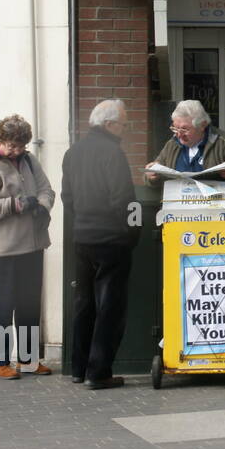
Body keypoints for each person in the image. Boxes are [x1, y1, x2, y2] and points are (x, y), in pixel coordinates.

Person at [62, 100, 139, 390]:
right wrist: (133, 234)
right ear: (109, 125)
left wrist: (81, 222)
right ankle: (99, 372)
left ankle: (78, 368)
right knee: (110, 308)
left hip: (82, 238)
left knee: (84, 304)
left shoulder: (72, 153)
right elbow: (125, 200)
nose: (124, 130)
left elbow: (67, 198)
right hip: (111, 240)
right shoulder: (113, 153)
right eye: (122, 124)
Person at [0, 115, 55, 379]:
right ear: (0, 141)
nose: (16, 151)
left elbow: (46, 190)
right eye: (11, 146)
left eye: (21, 146)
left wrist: (42, 206)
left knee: (29, 305)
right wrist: (17, 204)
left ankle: (28, 361)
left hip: (32, 246)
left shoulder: (29, 161)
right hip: (2, 251)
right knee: (0, 308)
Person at [144, 100, 225, 184]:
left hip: (214, 210)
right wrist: (151, 175)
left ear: (202, 125)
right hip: (177, 210)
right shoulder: (172, 145)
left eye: (184, 129)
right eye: (175, 128)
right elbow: (154, 174)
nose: (178, 134)